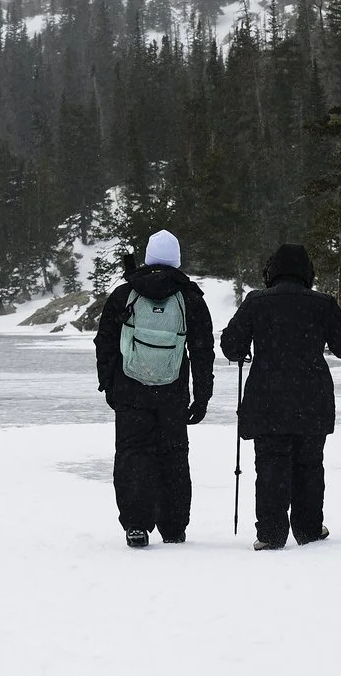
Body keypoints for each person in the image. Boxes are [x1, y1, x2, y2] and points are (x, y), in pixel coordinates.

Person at [219, 243, 341, 550]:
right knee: (309, 464)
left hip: (268, 399)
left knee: (270, 464)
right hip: (311, 399)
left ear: (271, 271)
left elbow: (231, 345)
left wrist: (244, 342)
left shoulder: (256, 302)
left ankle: (271, 533)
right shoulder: (322, 304)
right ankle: (309, 528)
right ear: (307, 273)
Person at [94, 229, 215, 548]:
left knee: (134, 454)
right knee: (173, 455)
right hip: (173, 393)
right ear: (176, 260)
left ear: (148, 257)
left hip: (130, 392)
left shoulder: (125, 294)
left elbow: (104, 341)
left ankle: (136, 524)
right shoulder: (189, 297)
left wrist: (108, 383)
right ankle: (173, 526)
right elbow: (202, 349)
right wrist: (202, 395)